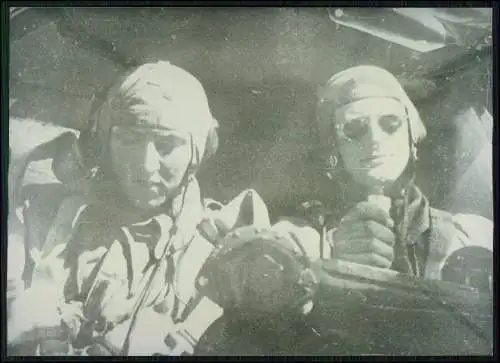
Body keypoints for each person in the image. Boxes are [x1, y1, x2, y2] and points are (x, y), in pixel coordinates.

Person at [7, 60, 272, 356]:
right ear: (106, 140)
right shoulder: (39, 215)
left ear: (198, 152)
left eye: (167, 145)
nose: (145, 167)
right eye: (129, 139)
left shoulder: (225, 253)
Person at [273, 65, 493, 288]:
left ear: (411, 138)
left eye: (390, 124)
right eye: (354, 129)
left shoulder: (470, 237)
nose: (375, 139)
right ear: (335, 150)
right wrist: (332, 264)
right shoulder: (297, 243)